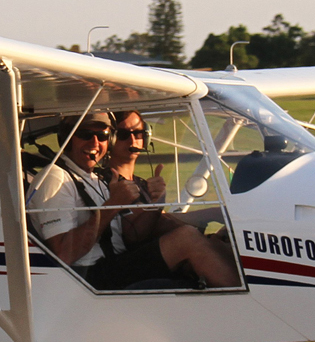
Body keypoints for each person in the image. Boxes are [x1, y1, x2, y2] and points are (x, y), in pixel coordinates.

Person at [26, 109, 240, 289]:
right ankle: (249, 303)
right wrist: (111, 205)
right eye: (85, 134)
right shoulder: (55, 177)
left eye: (102, 136)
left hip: (115, 265)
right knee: (186, 238)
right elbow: (63, 254)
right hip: (88, 277)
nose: (95, 142)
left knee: (204, 239)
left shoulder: (95, 179)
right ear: (67, 139)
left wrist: (157, 205)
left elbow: (133, 236)